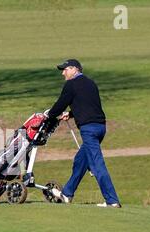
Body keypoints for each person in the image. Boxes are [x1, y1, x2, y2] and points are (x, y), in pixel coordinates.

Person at [46, 59, 122, 208]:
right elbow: (88, 105)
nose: (63, 73)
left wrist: (48, 116)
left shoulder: (71, 85)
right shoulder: (91, 83)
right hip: (101, 128)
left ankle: (112, 200)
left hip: (89, 130)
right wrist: (71, 114)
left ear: (74, 69)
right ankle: (67, 194)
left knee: (97, 165)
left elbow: (60, 103)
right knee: (80, 161)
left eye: (65, 69)